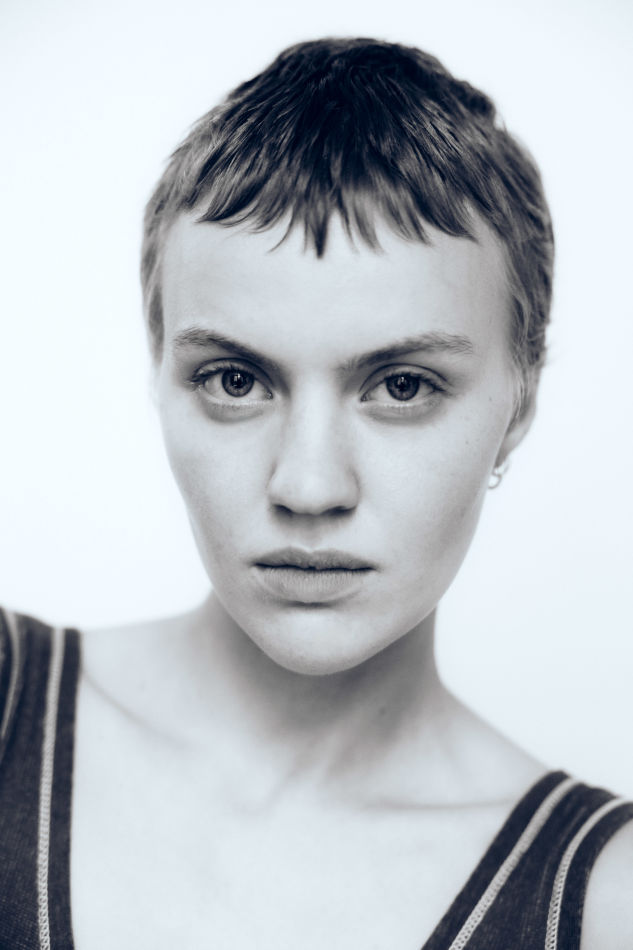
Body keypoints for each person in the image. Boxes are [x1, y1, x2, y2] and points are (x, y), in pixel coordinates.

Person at [0, 36, 631, 950]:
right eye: (234, 380)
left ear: (518, 407)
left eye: (402, 386)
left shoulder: (605, 907)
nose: (307, 486)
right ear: (159, 373)